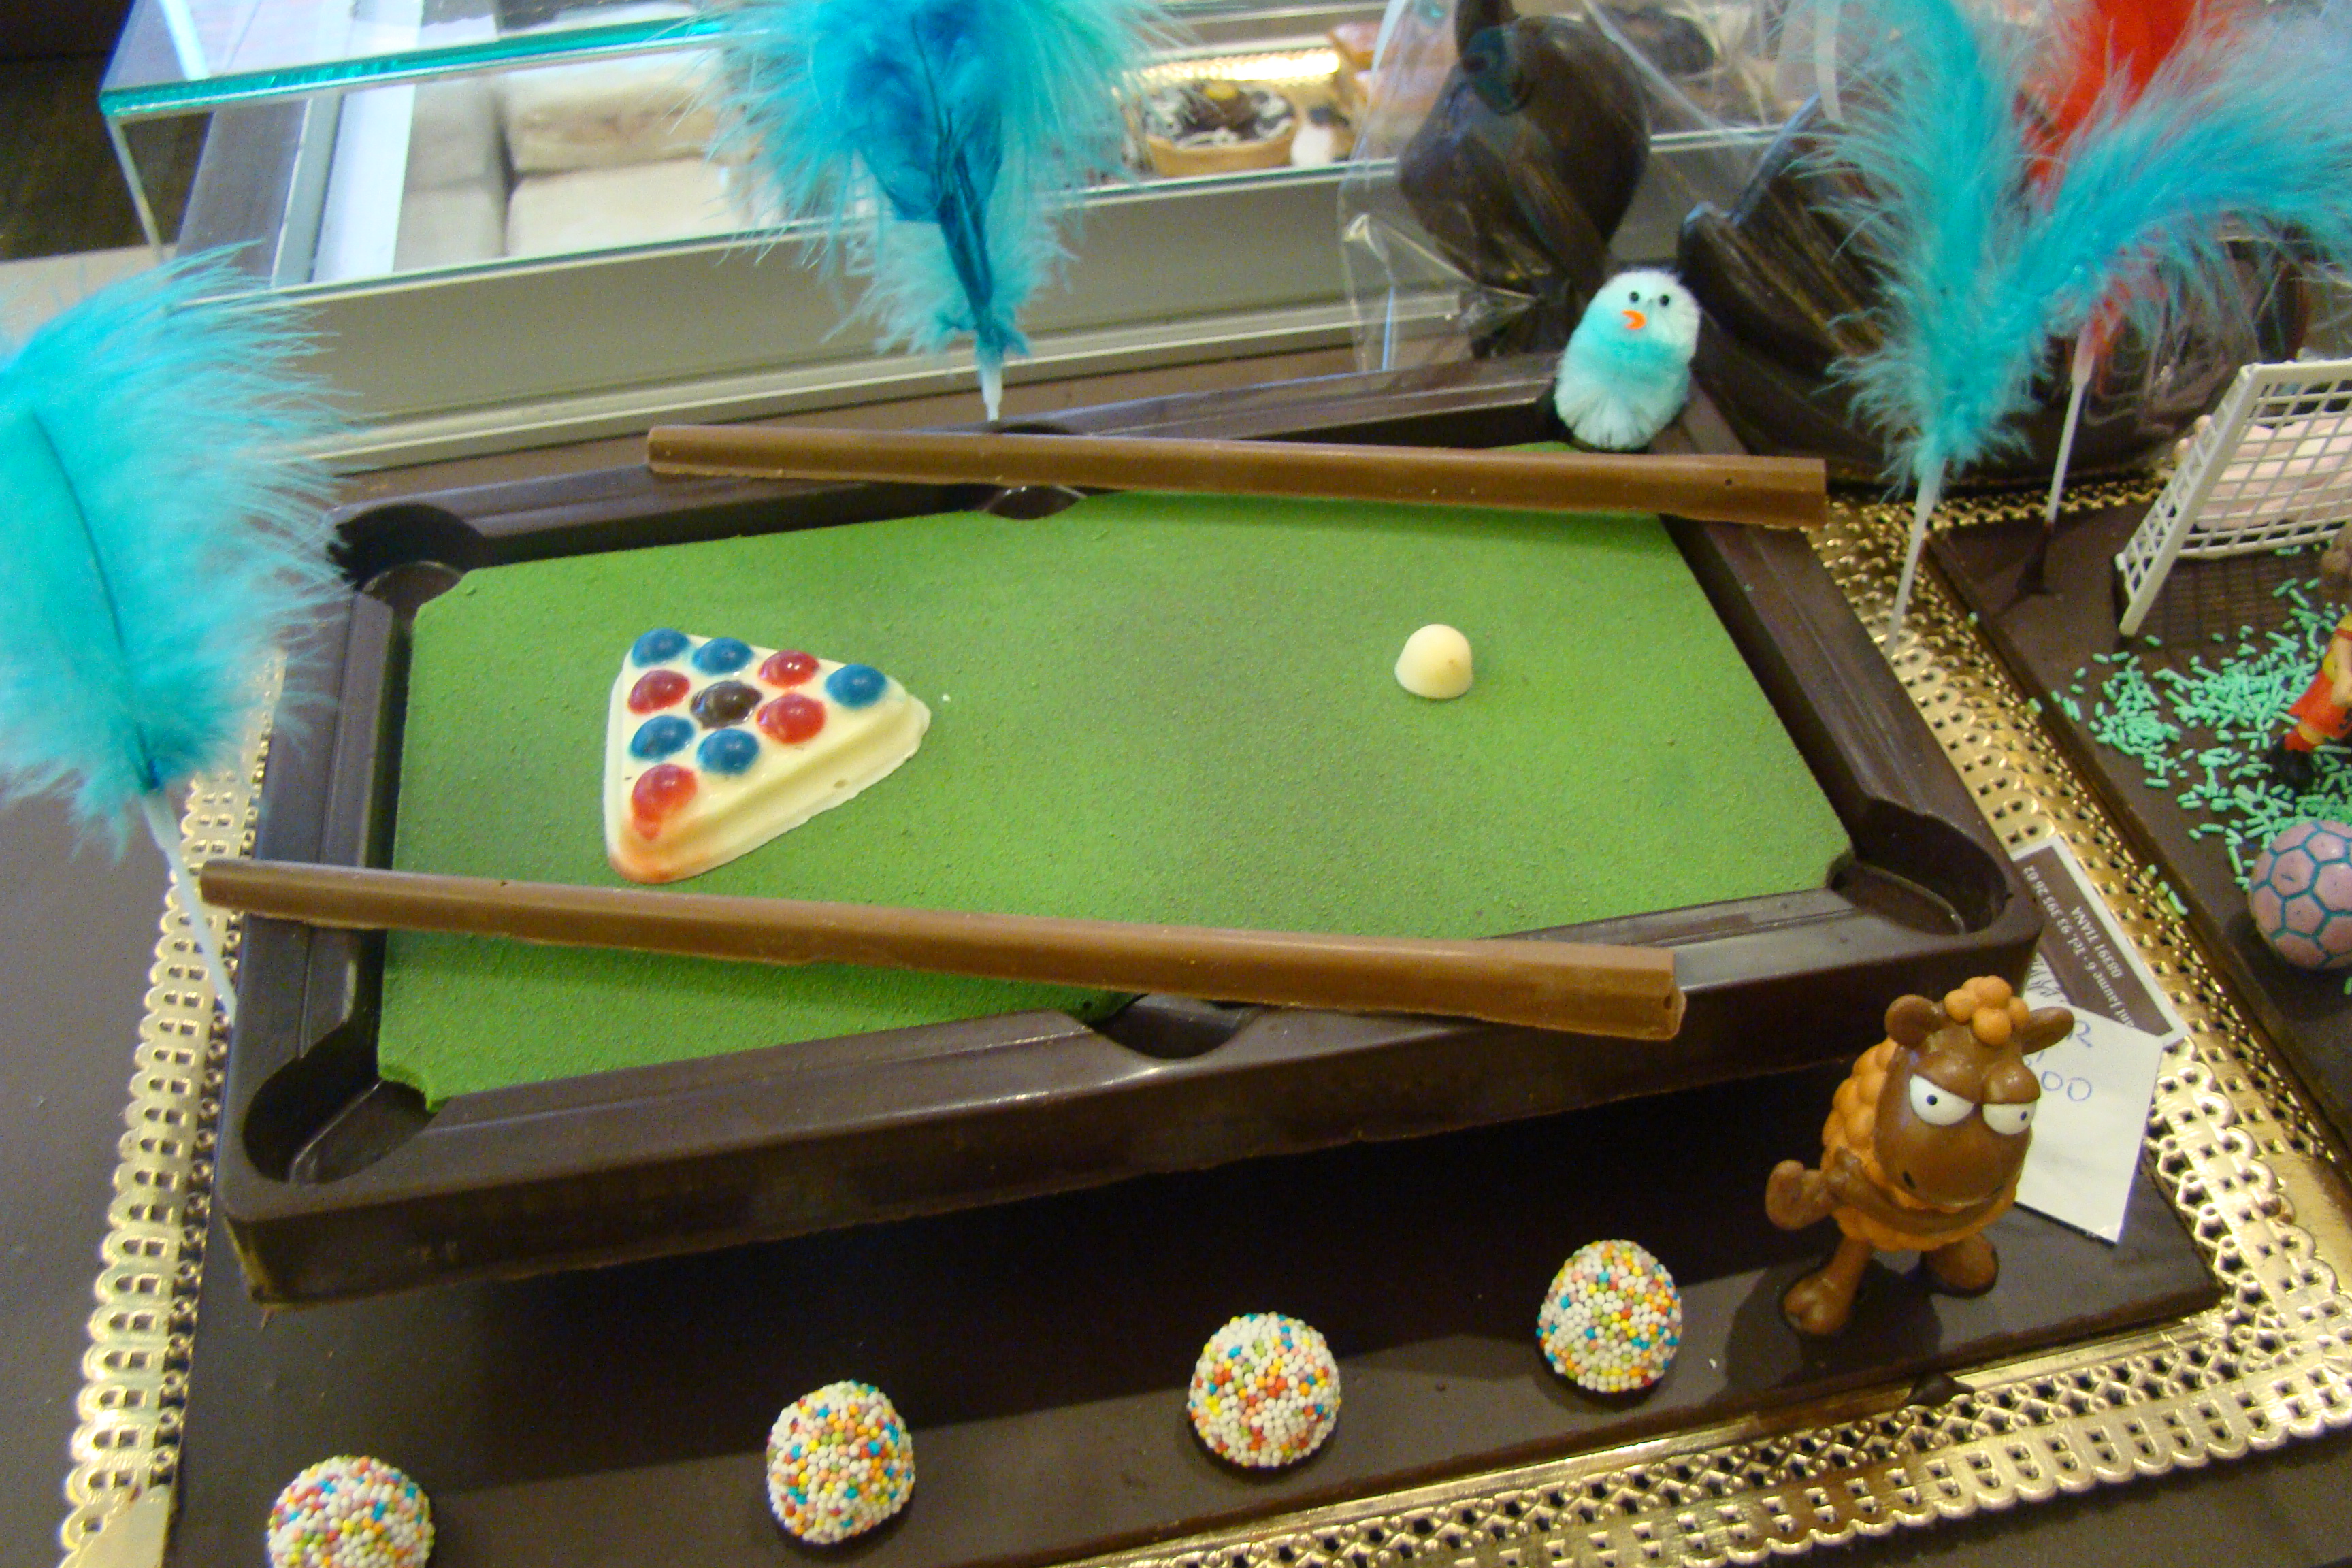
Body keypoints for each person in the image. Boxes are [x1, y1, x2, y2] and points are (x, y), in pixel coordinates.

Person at [2270, 519, 2352, 793]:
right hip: (2340, 683)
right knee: (2320, 721)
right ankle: (2292, 751)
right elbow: (2343, 645)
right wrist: (2345, 675)